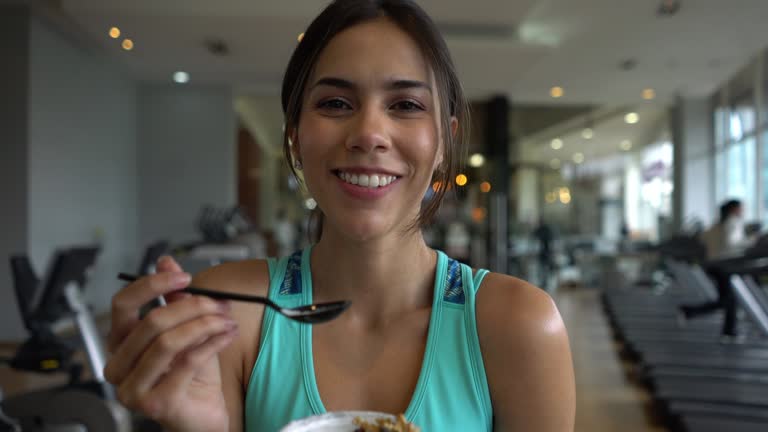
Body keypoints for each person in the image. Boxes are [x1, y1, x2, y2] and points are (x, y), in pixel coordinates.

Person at [104, 1, 575, 431]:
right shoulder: (233, 314)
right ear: (294, 136)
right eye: (335, 103)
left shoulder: (517, 325)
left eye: (406, 105)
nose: (369, 132)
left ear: (444, 143)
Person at [679, 199, 753, 336]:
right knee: (728, 300)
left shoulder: (717, 224)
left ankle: (728, 331)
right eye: (741, 208)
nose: (743, 211)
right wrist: (752, 241)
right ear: (734, 209)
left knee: (729, 300)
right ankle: (689, 311)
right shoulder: (733, 222)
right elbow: (732, 243)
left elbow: (702, 239)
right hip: (725, 266)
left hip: (713, 266)